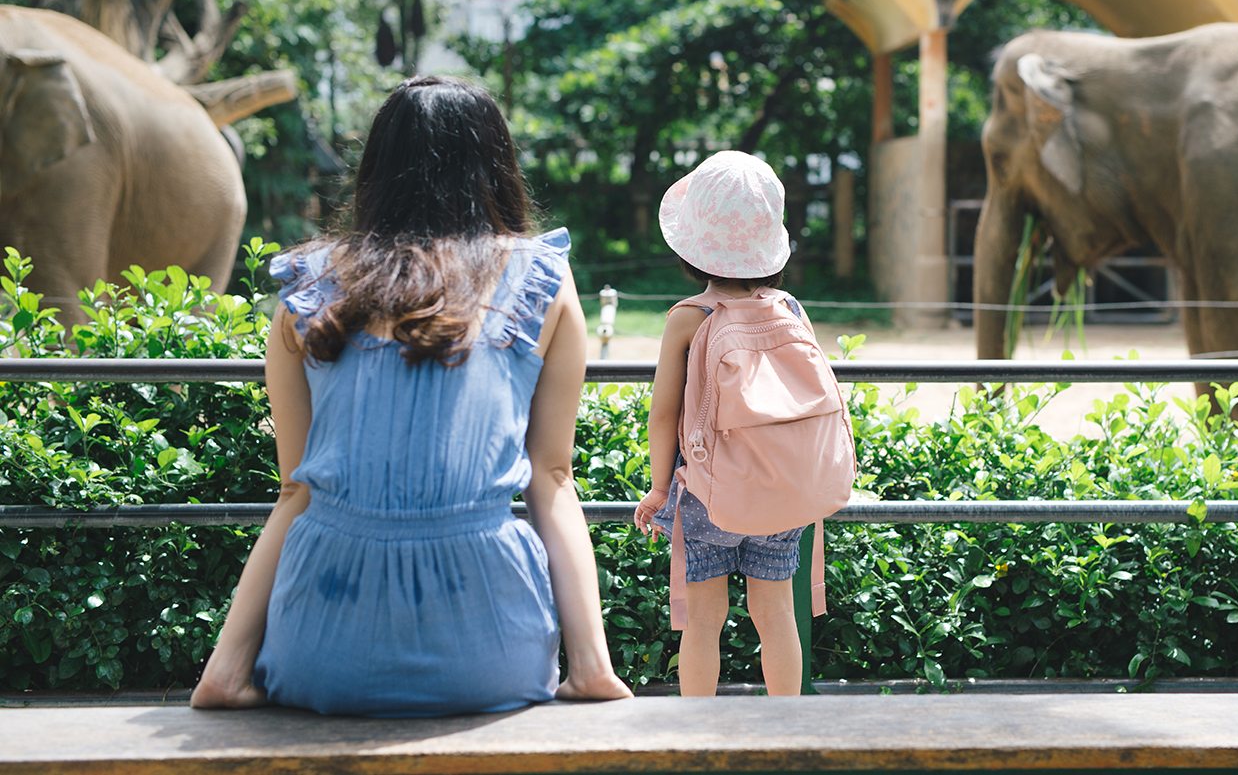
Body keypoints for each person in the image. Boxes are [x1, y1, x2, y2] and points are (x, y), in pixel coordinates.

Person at [191, 76, 632, 715]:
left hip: (324, 641)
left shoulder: (308, 285)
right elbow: (553, 478)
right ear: (494, 165)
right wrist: (590, 666)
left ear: (377, 168)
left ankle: (229, 669)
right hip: (489, 644)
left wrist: (226, 670)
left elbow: (298, 489)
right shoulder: (539, 278)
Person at [631, 150, 816, 697]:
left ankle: (700, 734)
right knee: (777, 614)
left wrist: (660, 487)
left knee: (703, 622)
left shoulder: (688, 318)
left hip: (708, 494)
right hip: (780, 491)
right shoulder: (791, 310)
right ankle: (785, 729)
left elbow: (664, 411)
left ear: (694, 249)